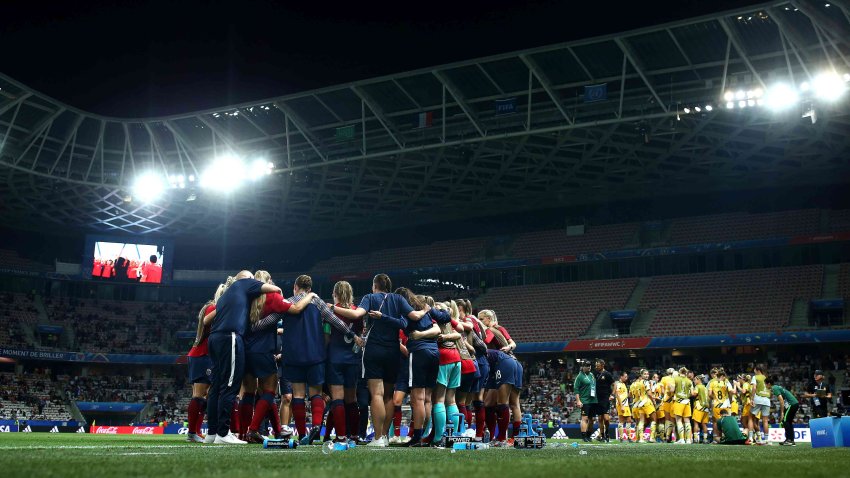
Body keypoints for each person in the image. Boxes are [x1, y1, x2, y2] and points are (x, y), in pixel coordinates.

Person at [333, 274, 429, 447]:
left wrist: (333, 308)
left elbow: (356, 314)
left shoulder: (369, 297)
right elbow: (414, 316)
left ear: (374, 286)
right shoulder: (398, 298)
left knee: (376, 394)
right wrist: (426, 310)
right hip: (393, 350)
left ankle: (377, 438)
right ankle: (384, 435)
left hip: (374, 350)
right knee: (388, 396)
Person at [279, 275, 363, 445]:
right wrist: (352, 334)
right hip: (315, 354)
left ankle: (303, 434)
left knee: (298, 395)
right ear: (309, 289)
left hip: (294, 355)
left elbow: (272, 321)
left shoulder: (287, 302)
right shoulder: (317, 302)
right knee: (316, 393)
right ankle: (316, 428)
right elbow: (336, 321)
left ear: (295, 286)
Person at [203, 270, 281, 445]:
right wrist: (278, 292)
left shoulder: (225, 296)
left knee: (216, 387)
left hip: (215, 340)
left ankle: (212, 432)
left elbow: (208, 320)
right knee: (230, 386)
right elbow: (273, 288)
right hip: (230, 337)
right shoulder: (244, 283)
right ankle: (223, 434)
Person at [242, 271, 315, 443]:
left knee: (250, 393)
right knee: (269, 391)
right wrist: (310, 295)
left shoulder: (247, 299)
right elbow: (296, 308)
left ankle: (246, 433)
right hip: (263, 350)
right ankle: (252, 430)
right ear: (268, 282)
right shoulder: (273, 297)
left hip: (245, 350)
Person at [185, 281, 229, 443]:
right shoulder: (214, 309)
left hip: (203, 356)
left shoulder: (213, 308)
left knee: (205, 395)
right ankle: (191, 432)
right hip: (202, 355)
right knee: (199, 395)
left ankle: (195, 431)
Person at [324, 281, 364, 444]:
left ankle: (340, 437)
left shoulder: (330, 312)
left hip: (334, 358)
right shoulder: (357, 312)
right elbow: (360, 333)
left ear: (335, 294)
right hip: (352, 360)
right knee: (351, 399)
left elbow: (326, 337)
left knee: (337, 399)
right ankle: (353, 436)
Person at [766, 376, 799, 446]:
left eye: (765, 384)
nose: (765, 386)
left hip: (791, 404)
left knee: (785, 421)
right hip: (794, 403)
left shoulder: (774, 388)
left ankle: (789, 440)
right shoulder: (776, 387)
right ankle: (791, 440)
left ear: (768, 384)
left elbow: (781, 400)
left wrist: (782, 412)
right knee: (789, 422)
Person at [629, 368, 657, 444]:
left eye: (647, 374)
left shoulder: (634, 384)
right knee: (654, 419)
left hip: (638, 403)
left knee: (641, 421)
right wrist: (654, 401)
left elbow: (630, 395)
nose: (647, 375)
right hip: (646, 402)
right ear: (641, 375)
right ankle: (652, 438)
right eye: (645, 374)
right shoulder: (645, 382)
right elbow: (649, 393)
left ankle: (640, 438)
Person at [574, 359, 597, 442]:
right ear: (582, 367)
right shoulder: (579, 376)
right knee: (585, 418)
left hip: (593, 400)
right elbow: (576, 389)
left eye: (589, 365)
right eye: (587, 366)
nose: (589, 367)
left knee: (592, 419)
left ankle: (588, 435)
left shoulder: (592, 375)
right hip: (585, 400)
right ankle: (583, 436)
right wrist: (578, 401)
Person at [670, 367, 693, 444]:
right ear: (686, 372)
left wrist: (671, 387)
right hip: (687, 402)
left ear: (679, 372)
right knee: (687, 421)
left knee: (679, 421)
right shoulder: (689, 381)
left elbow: (672, 390)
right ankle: (688, 440)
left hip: (679, 401)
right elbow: (692, 393)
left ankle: (682, 439)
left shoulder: (675, 379)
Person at [593, 359, 613, 442]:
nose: (596, 367)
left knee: (606, 419)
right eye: (596, 365)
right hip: (597, 398)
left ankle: (607, 433)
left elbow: (614, 384)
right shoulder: (595, 374)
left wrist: (612, 395)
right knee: (600, 418)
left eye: (598, 365)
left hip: (605, 398)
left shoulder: (607, 374)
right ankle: (602, 435)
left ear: (602, 365)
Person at [750, 364, 771, 444]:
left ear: (757, 370)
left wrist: (752, 399)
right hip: (767, 400)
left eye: (754, 370)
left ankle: (751, 438)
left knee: (751, 418)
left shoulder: (755, 377)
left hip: (758, 399)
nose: (754, 371)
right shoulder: (767, 377)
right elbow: (770, 389)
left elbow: (754, 388)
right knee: (765, 420)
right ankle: (766, 439)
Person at [614, 371, 633, 442]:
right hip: (621, 404)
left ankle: (626, 437)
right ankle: (624, 437)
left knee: (628, 420)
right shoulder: (618, 384)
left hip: (625, 404)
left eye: (627, 377)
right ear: (621, 377)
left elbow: (626, 395)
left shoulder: (624, 384)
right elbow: (617, 395)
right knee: (624, 420)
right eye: (625, 377)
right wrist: (621, 405)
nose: (626, 378)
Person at [691, 374, 709, 444]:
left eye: (695, 380)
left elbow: (694, 394)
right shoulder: (705, 387)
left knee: (696, 424)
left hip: (699, 407)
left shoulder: (697, 386)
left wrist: (691, 389)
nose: (694, 381)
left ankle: (695, 439)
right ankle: (705, 439)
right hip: (706, 408)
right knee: (704, 424)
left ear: (699, 380)